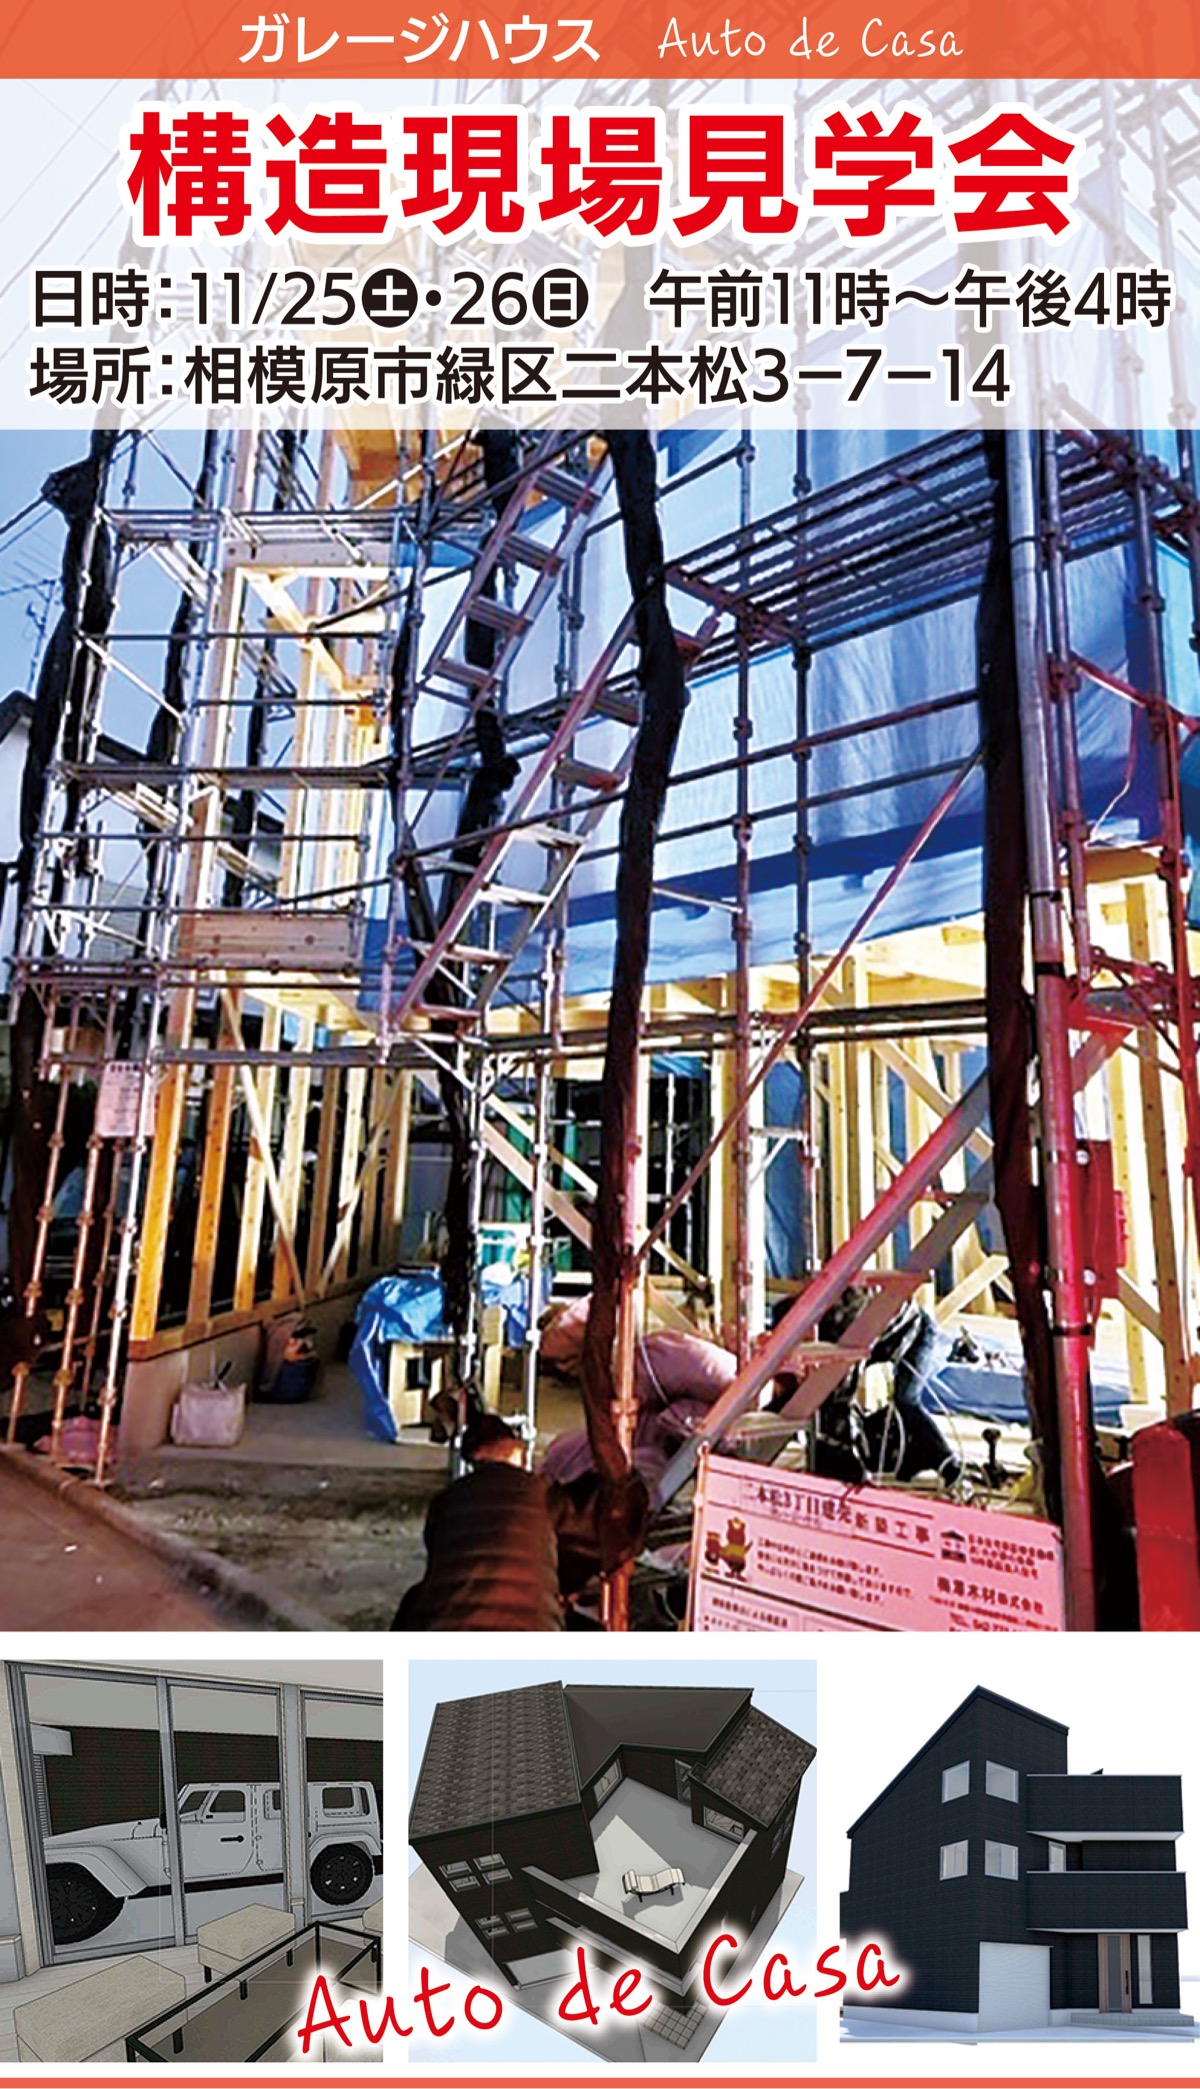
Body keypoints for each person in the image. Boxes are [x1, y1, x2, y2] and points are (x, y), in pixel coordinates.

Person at [391, 1413, 567, 1631]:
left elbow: (436, 1563)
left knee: (413, 1602)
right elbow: (575, 1546)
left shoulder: (448, 1499)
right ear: (516, 1451)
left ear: (473, 1459)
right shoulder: (542, 1493)